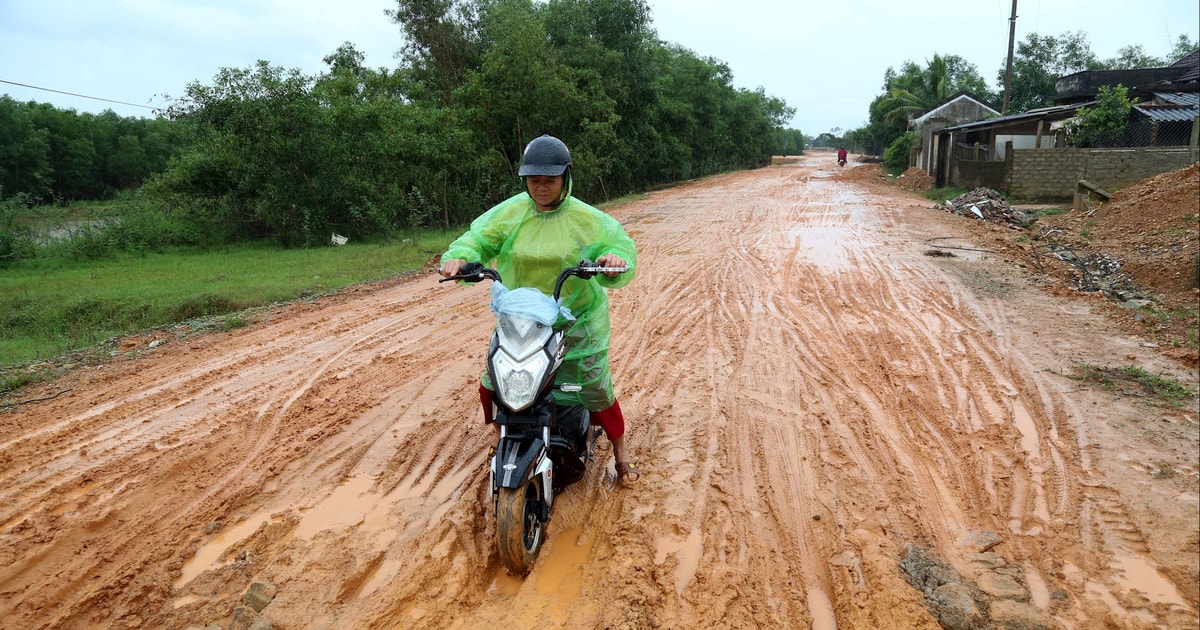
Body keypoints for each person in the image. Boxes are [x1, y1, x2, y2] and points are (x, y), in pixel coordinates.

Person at [439, 135, 641, 485]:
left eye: (550, 180)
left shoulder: (586, 218)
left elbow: (617, 244)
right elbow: (477, 239)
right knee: (493, 385)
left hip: (574, 320)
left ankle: (621, 453)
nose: (542, 187)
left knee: (593, 388)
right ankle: (501, 439)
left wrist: (612, 259)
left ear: (566, 178)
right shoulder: (510, 212)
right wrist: (459, 258)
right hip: (521, 320)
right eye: (535, 180)